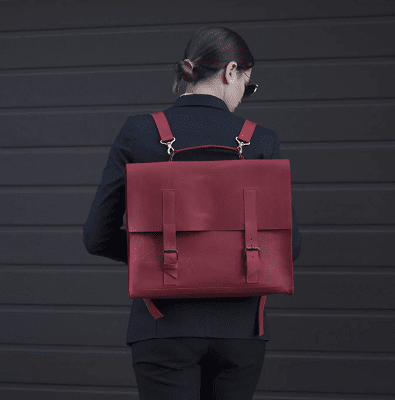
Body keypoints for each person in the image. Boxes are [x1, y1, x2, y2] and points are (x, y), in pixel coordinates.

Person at [83, 26, 302, 400]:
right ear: (231, 72)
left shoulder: (139, 132)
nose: (241, 98)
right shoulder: (261, 140)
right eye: (246, 86)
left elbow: (97, 237)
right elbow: (289, 248)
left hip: (161, 326)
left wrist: (160, 258)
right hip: (241, 332)